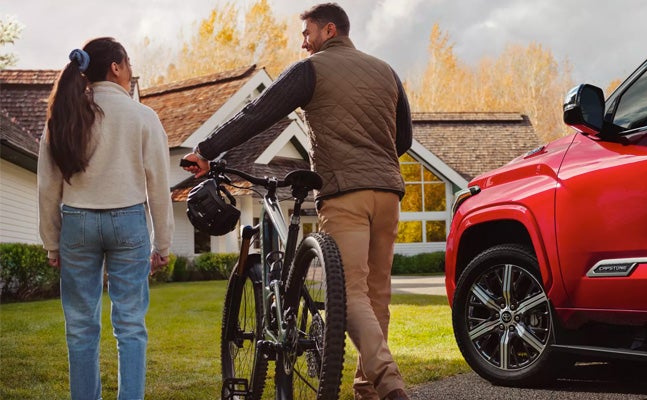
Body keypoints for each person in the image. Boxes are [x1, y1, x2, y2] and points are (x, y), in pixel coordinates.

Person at [181, 3, 412, 399]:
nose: (303, 43)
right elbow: (403, 139)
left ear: (329, 30)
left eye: (307, 34)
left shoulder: (313, 69)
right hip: (388, 193)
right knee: (377, 294)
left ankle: (390, 385)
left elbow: (259, 112)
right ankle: (367, 390)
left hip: (344, 193)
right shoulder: (386, 71)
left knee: (351, 294)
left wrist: (206, 149)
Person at [38, 37, 174, 400]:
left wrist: (52, 242)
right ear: (116, 66)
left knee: (80, 328)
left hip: (77, 224)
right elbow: (158, 184)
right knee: (130, 326)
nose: (131, 73)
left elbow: (48, 186)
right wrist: (162, 243)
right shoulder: (142, 116)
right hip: (129, 222)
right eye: (129, 65)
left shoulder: (64, 116)